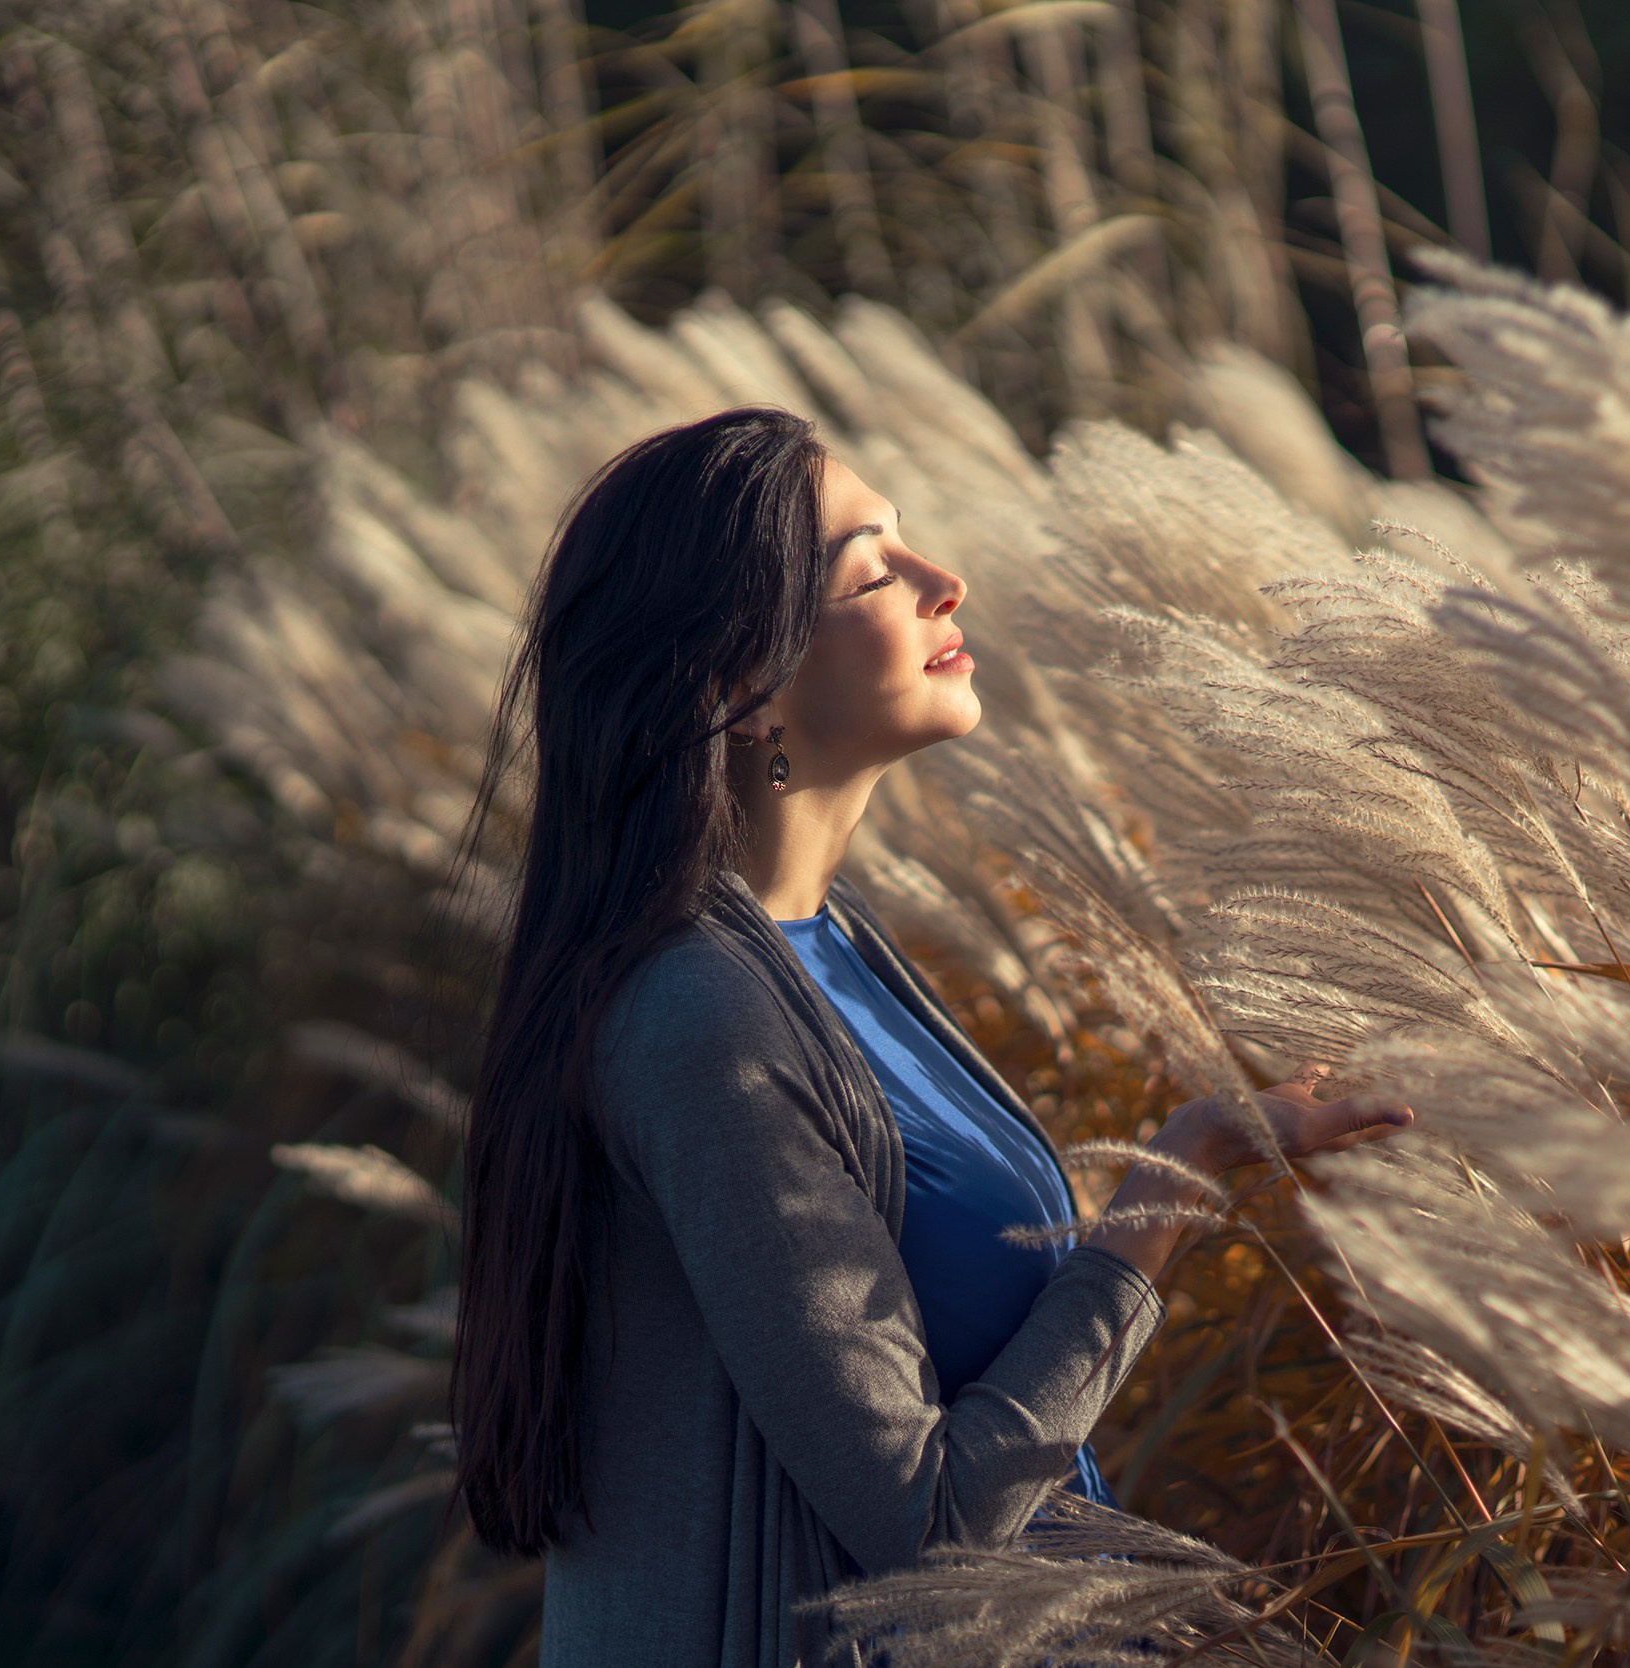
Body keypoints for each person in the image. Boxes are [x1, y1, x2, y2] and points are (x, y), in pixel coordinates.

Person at [448, 407, 1418, 1667]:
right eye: (870, 569)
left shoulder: (829, 950)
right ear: (742, 692)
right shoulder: (706, 1020)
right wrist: (1170, 1188)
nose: (939, 582)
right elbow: (927, 1521)